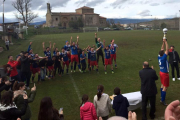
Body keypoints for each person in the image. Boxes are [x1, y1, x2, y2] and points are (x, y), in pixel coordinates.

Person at [158, 39, 169, 106]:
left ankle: (161, 97)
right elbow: (167, 50)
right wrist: (166, 42)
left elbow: (162, 49)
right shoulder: (164, 58)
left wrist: (163, 42)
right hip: (165, 73)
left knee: (162, 84)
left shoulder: (159, 57)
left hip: (161, 72)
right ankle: (162, 100)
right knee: (165, 87)